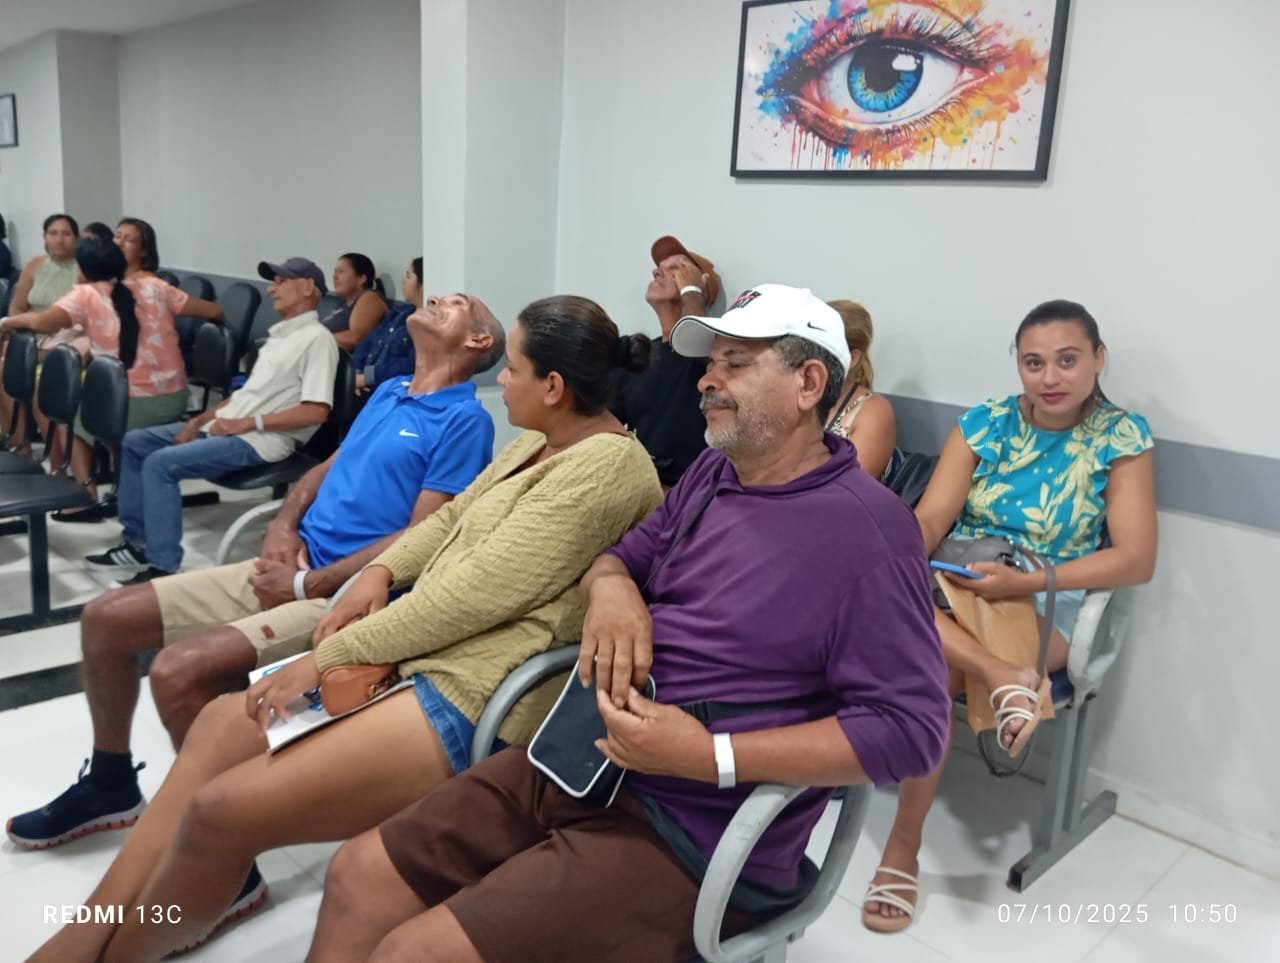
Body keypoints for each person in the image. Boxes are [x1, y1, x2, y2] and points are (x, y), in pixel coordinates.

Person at [309, 284, 952, 963]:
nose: (706, 380)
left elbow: (911, 731)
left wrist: (710, 755)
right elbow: (619, 558)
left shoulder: (869, 534)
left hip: (691, 828)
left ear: (809, 383)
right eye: (711, 362)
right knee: (358, 871)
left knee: (415, 952)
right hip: (583, 757)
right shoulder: (713, 474)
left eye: (735, 363)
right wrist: (614, 592)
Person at [23, 294, 663, 963]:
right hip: (417, 650)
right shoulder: (539, 440)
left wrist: (326, 656)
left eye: (514, 370)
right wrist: (378, 572)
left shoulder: (606, 470)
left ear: (553, 388)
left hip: (469, 689)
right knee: (217, 724)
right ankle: (84, 934)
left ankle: (112, 954)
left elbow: (467, 601)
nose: (500, 379)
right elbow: (448, 522)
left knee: (220, 811)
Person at [7, 290, 503, 850]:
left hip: (342, 597)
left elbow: (423, 537)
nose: (435, 297)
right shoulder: (392, 390)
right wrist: (283, 525)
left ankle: (221, 851)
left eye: (457, 303)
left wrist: (306, 583)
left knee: (177, 672)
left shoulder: (465, 421)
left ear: (478, 340)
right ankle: (111, 783)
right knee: (106, 618)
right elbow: (324, 469)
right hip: (291, 562)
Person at [861, 299, 1157, 933]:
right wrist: (901, 559)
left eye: (1067, 360)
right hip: (956, 580)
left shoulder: (1121, 437)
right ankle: (1003, 677)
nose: (1050, 377)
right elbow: (933, 519)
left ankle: (901, 847)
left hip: (1049, 595)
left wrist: (1026, 581)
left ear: (1098, 359)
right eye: (1034, 362)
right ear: (1017, 365)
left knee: (930, 664)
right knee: (901, 616)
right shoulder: (985, 423)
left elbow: (1135, 559)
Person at [84, 257, 338, 584]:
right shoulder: (280, 337)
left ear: (308, 287)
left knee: (160, 465)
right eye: (273, 282)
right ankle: (137, 543)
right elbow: (247, 395)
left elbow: (316, 411)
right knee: (135, 442)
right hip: (229, 427)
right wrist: (199, 421)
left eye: (281, 282)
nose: (271, 289)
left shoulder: (317, 339)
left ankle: (162, 565)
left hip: (258, 440)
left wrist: (246, 424)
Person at [0, 237, 224, 517]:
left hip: (126, 404)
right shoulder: (154, 286)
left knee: (69, 417)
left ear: (83, 269)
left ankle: (85, 493)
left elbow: (40, 323)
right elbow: (215, 311)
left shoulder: (85, 295)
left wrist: (7, 323)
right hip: (175, 398)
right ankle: (120, 481)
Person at [611, 234, 723, 487]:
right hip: (639, 487)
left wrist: (692, 292)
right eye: (659, 267)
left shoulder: (711, 353)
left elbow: (699, 343)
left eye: (677, 268)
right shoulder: (639, 355)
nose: (656, 271)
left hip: (692, 491)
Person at [824, 299, 896, 480]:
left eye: (821, 349)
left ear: (852, 358)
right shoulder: (797, 398)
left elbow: (850, 487)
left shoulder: (874, 411)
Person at [352, 257, 422, 395]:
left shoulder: (426, 326)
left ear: (423, 284)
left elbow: (409, 365)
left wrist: (366, 378)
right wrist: (355, 374)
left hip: (394, 390)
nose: (403, 281)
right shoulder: (399, 313)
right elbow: (368, 342)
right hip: (367, 385)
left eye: (408, 276)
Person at [7, 213, 79, 316]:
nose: (59, 240)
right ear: (45, 237)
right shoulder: (33, 264)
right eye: (53, 233)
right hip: (28, 323)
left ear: (76, 238)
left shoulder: (84, 268)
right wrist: (18, 322)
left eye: (66, 234)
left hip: (68, 325)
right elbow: (17, 307)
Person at [323, 251, 389, 351]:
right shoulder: (343, 303)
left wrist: (317, 338)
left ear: (361, 279)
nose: (334, 276)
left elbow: (356, 339)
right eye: (335, 272)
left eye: (341, 272)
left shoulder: (370, 298)